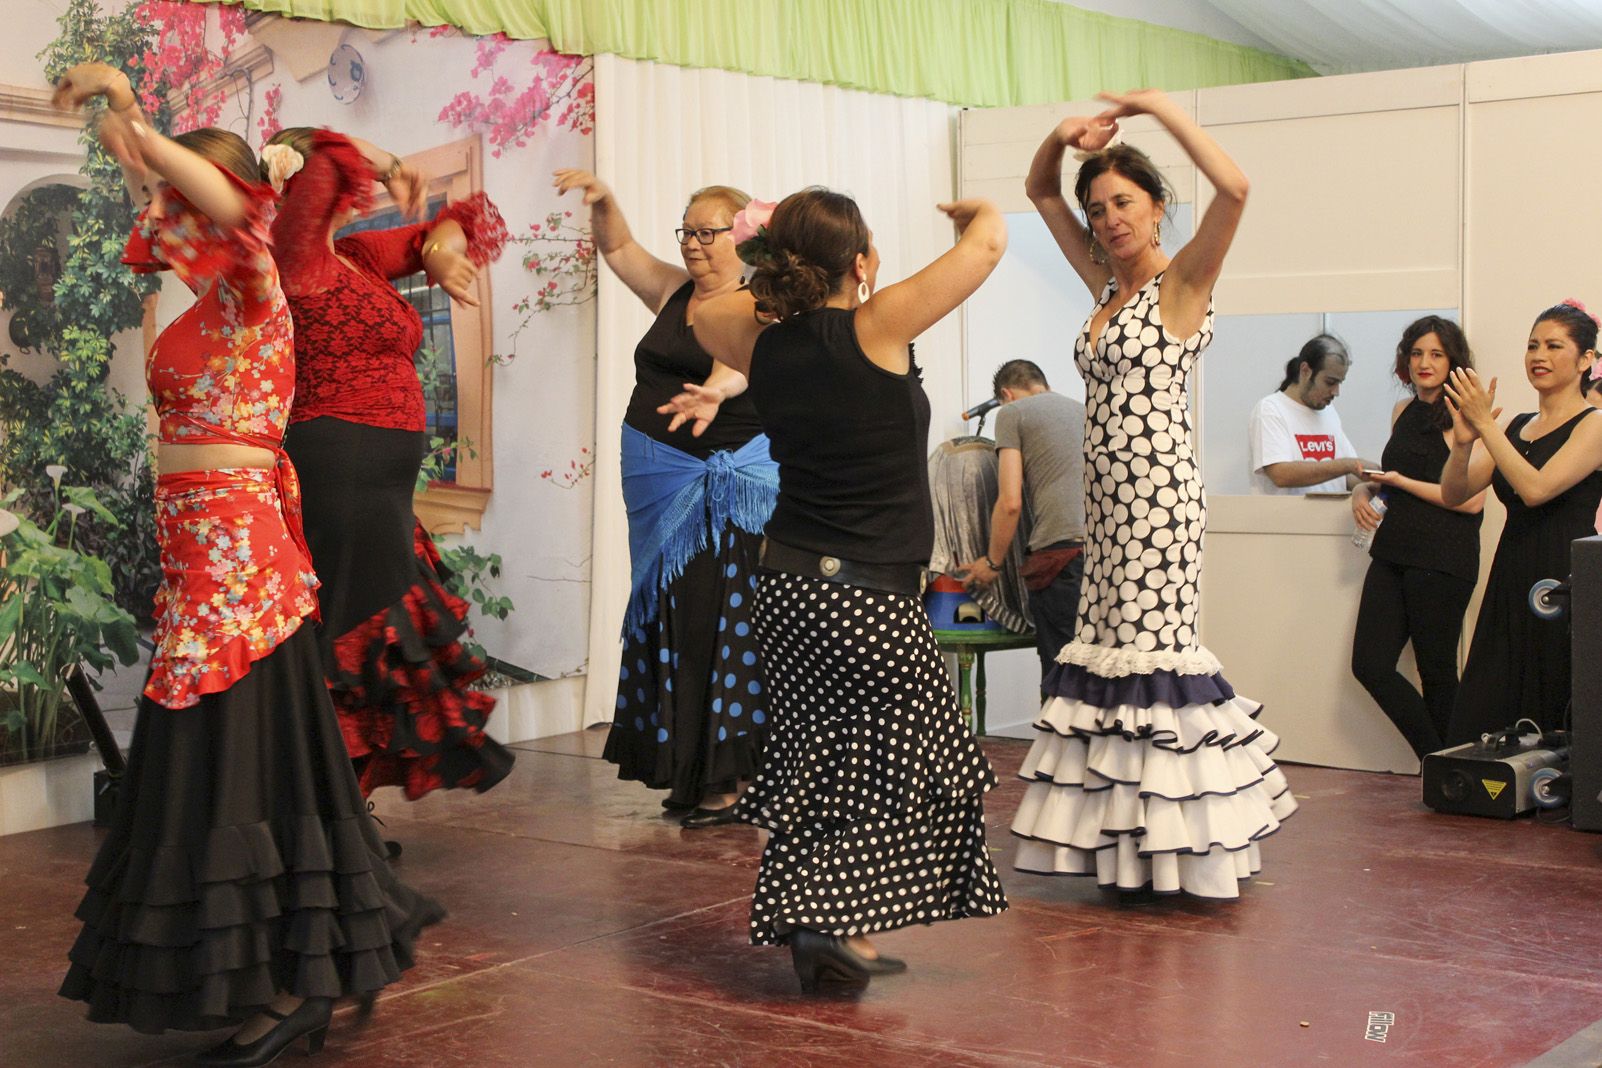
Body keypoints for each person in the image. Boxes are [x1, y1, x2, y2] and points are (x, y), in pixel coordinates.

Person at [52, 64, 441, 1062]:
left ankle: (294, 986)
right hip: (202, 559)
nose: (172, 228)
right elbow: (153, 188)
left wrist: (141, 115)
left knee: (244, 766)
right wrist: (119, 128)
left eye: (189, 210)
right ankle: (286, 969)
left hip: (243, 563)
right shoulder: (202, 298)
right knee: (227, 767)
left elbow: (221, 200)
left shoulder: (258, 281)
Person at [671, 187, 1009, 991]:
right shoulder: (878, 322)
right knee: (903, 756)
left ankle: (830, 926)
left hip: (786, 588)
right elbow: (989, 245)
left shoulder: (766, 345)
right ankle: (831, 917)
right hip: (863, 596)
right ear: (860, 262)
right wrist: (972, 213)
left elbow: (705, 316)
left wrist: (772, 271)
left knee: (824, 755)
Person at [1007, 89, 1296, 900]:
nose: (1107, 220)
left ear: (1158, 206)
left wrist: (1161, 110)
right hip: (1107, 505)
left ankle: (1179, 851)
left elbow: (1235, 190)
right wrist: (1061, 141)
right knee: (1113, 659)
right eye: (1097, 209)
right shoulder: (1107, 284)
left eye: (1123, 203)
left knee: (1151, 661)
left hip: (1160, 500)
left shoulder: (1180, 283)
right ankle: (1128, 849)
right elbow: (1037, 192)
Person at [264, 127, 515, 810]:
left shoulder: (354, 257)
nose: (364, 188)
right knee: (353, 629)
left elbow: (451, 225)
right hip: (337, 466)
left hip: (382, 481)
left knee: (373, 638)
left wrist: (439, 249)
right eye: (350, 180)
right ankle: (326, 809)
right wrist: (392, 159)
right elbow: (325, 158)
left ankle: (346, 805)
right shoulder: (295, 257)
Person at [553, 171, 777, 828]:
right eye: (687, 232)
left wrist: (715, 390)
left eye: (709, 233)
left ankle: (728, 779)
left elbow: (735, 362)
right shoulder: (677, 292)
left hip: (722, 484)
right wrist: (606, 201)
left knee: (717, 618)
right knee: (670, 615)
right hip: (656, 481)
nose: (694, 245)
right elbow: (620, 251)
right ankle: (688, 768)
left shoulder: (758, 300)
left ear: (743, 239)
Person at [1442, 301, 1602, 743]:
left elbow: (1536, 489)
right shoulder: (1514, 425)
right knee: (1488, 702)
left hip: (1564, 580)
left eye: (1554, 346)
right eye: (1532, 345)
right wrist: (1461, 443)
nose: (1539, 356)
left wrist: (1484, 428)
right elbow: (1454, 493)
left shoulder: (1594, 425)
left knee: (1556, 699)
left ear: (1586, 359)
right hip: (1511, 573)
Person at [1349, 317, 1486, 758]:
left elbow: (1469, 502)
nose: (1424, 363)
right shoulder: (1402, 412)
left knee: (1438, 672)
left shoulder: (1470, 416)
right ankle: (1439, 761)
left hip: (1443, 557)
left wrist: (1400, 482)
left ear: (1454, 361)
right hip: (1392, 552)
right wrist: (1362, 488)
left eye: (1436, 354)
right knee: (1369, 664)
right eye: (1416, 353)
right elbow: (1392, 478)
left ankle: (1452, 771)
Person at [958, 359, 1087, 690]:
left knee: (1062, 675)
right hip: (1108, 557)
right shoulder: (1085, 411)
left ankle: (1060, 743)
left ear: (1006, 394)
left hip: (1062, 557)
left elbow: (1010, 502)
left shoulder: (1012, 414)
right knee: (1098, 668)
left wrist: (991, 563)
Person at [1249, 334, 1375, 493]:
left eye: (1339, 383)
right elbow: (1280, 474)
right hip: (1285, 517)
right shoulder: (1270, 410)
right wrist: (1348, 465)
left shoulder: (1329, 412)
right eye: (1330, 382)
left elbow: (1346, 477)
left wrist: (1376, 480)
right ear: (1305, 371)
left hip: (1329, 517)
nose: (1336, 392)